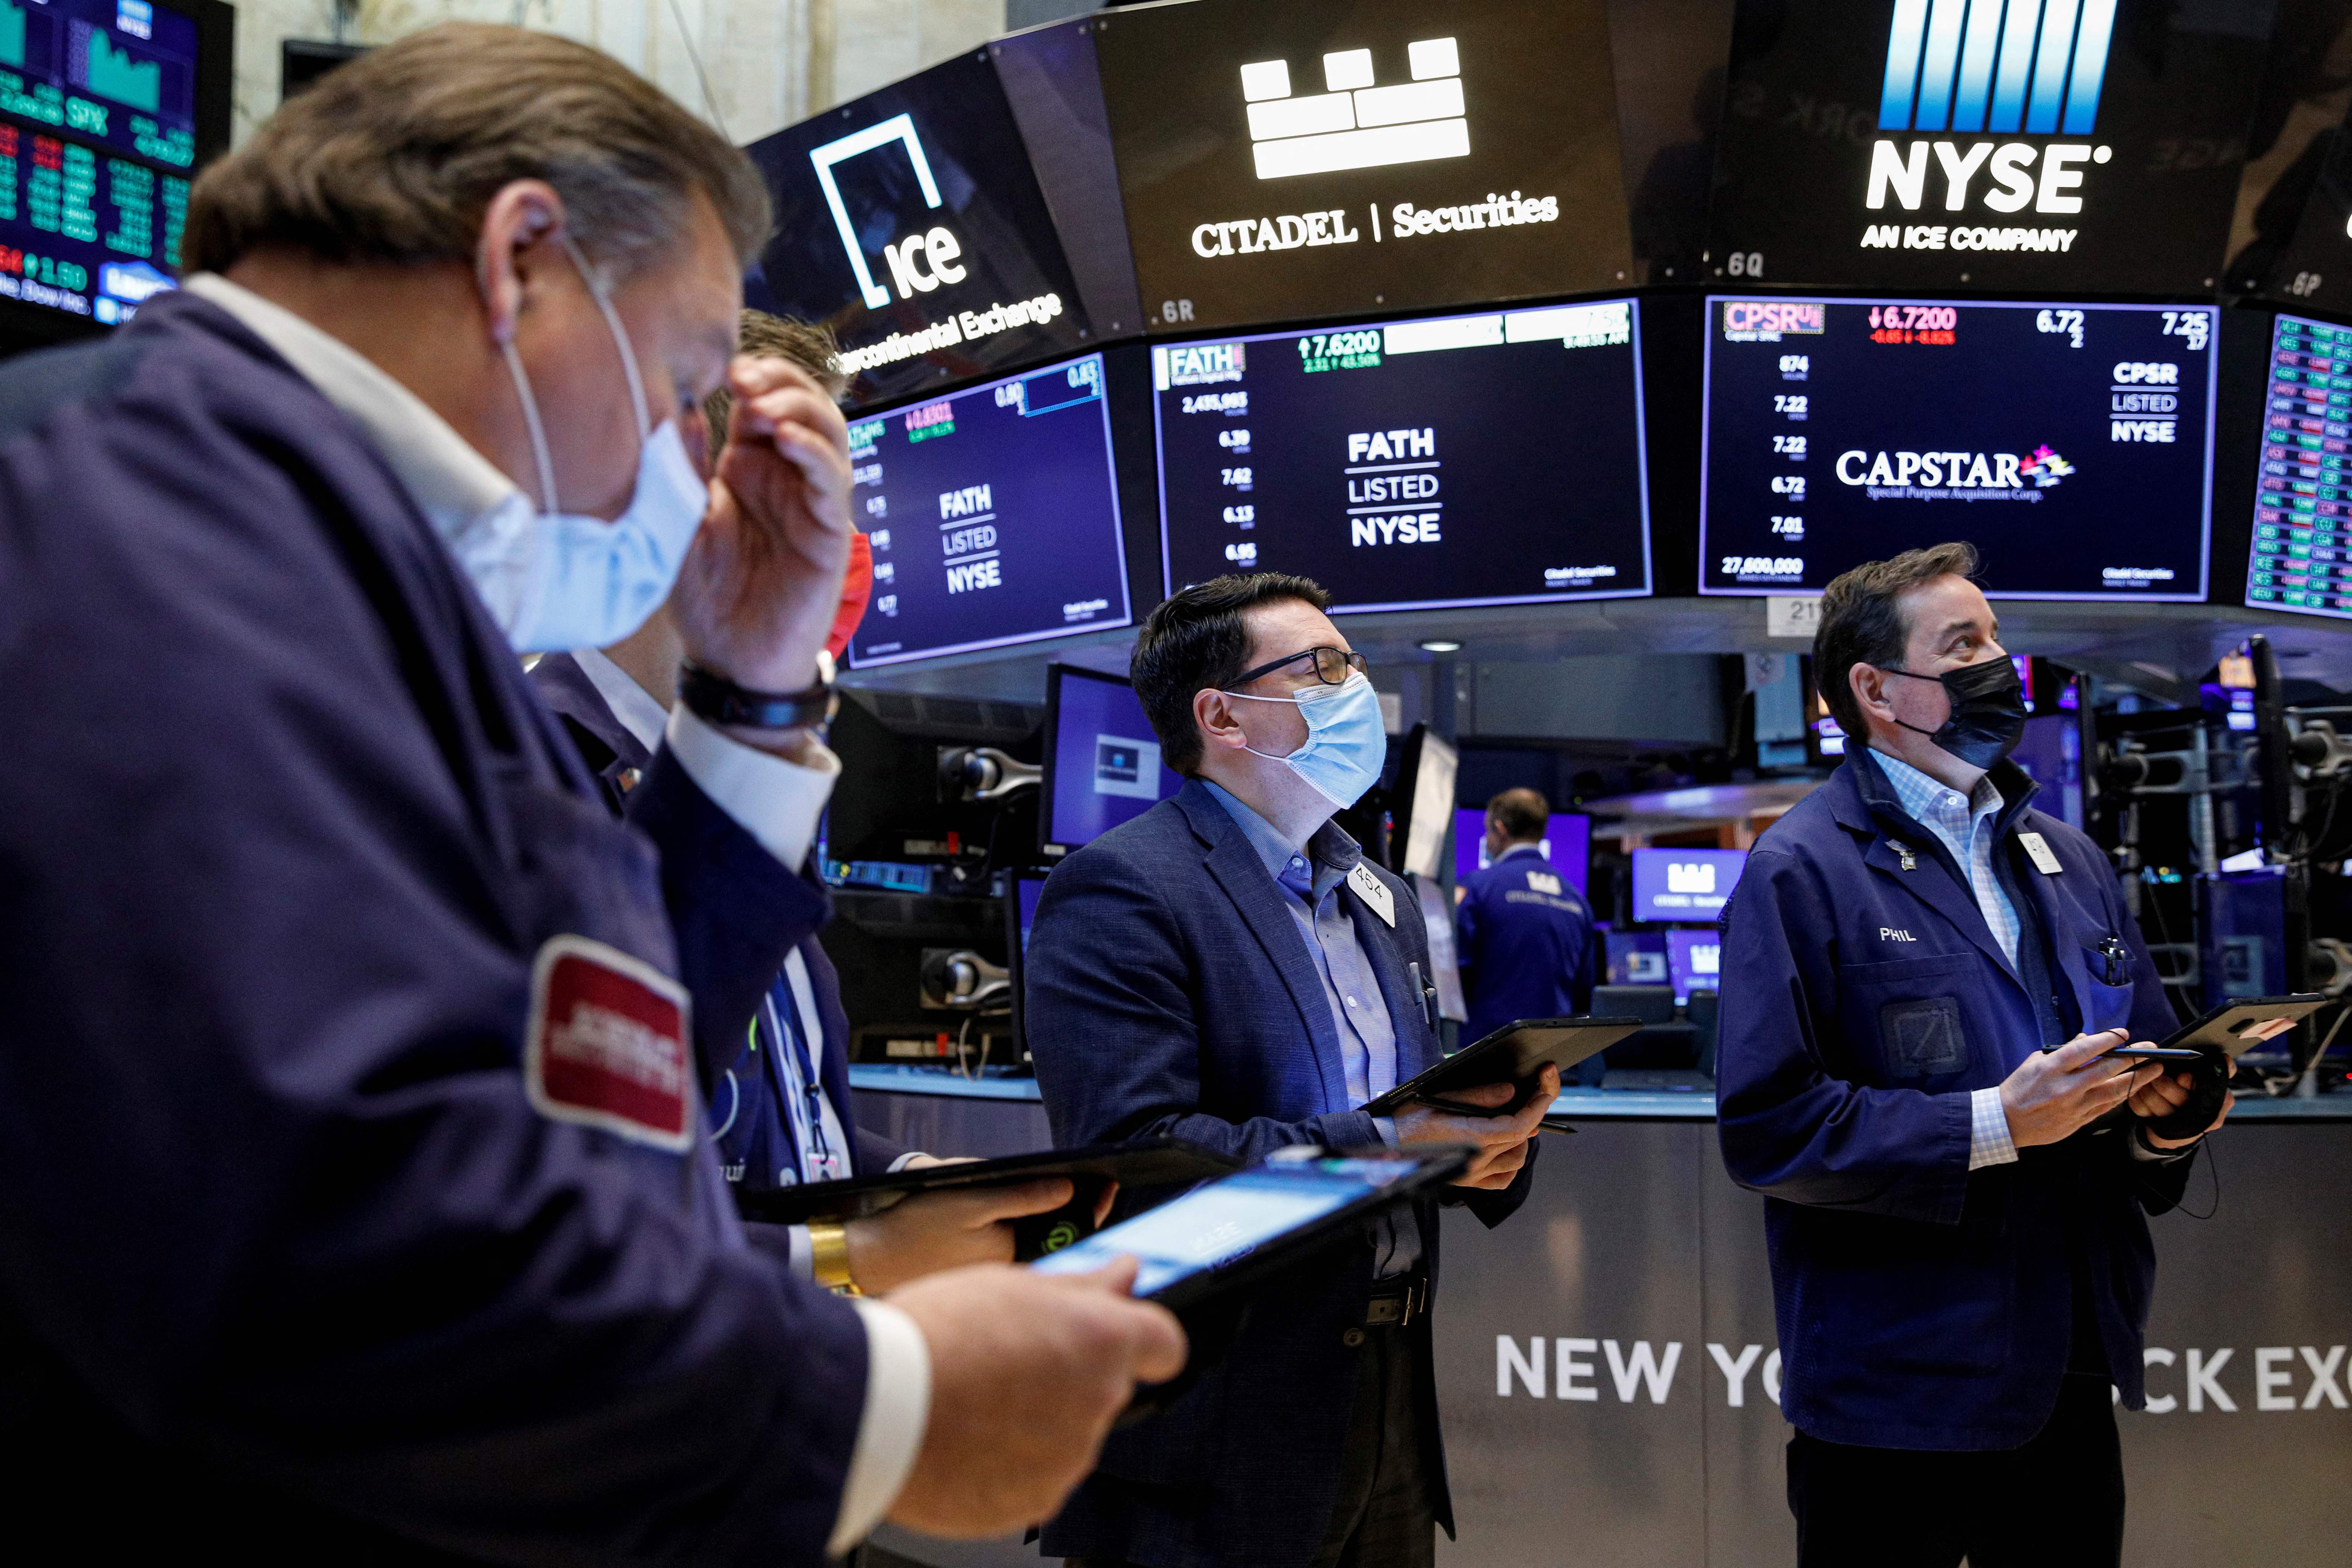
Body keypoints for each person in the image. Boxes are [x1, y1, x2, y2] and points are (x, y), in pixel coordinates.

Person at [0, 25, 1181, 1562]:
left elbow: (589, 1094)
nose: (693, 470)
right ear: (521, 261)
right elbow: (319, 1238)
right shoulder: (143, 519)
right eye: (690, 383)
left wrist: (755, 702)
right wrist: (880, 1409)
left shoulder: (347, 571)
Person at [1715, 543, 2241, 1568]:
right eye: (1965, 643)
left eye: (1995, 636)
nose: (2002, 662)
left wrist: (2168, 1122)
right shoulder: (1801, 868)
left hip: (2072, 1363)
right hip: (1897, 1389)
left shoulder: (2070, 856)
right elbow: (1770, 1130)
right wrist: (1995, 1124)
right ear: (1875, 689)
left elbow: (2137, 1079)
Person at [532, 308, 1073, 1294]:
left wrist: (906, 1182)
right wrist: (839, 1259)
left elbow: (786, 1121)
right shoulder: (532, 768)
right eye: (812, 491)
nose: (850, 543)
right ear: (694, 495)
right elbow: (529, 1191)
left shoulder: (759, 787)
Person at [1026, 572, 1558, 1568]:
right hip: (1217, 1418)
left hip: (1391, 1386)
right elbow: (1136, 1160)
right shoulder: (1124, 887)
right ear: (1221, 713)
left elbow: (1413, 1109)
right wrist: (1392, 1147)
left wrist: (1480, 1149)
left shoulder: (1380, 894)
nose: (1354, 686)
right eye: (1321, 667)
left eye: (1351, 663)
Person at [1456, 787, 1598, 1075]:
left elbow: (1454, 976)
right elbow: (1585, 990)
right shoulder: (1576, 900)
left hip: (1483, 1059)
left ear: (1500, 829)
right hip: (1553, 1065)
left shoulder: (1477, 888)